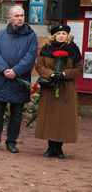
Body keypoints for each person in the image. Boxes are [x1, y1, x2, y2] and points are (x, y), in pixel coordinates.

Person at [0, 6, 38, 153]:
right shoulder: (0, 35)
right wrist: (4, 69)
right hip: (1, 80)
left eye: (22, 15)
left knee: (16, 114)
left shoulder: (31, 37)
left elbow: (30, 57)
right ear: (10, 18)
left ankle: (11, 142)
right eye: (17, 16)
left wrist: (15, 71)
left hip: (19, 81)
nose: (20, 18)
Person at [35, 24, 83, 159]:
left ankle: (59, 148)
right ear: (54, 36)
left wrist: (64, 73)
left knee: (62, 118)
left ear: (67, 36)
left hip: (66, 88)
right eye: (58, 34)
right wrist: (50, 74)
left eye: (63, 34)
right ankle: (50, 148)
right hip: (50, 88)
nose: (61, 36)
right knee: (50, 117)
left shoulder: (73, 50)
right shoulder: (46, 49)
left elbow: (79, 69)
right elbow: (40, 66)